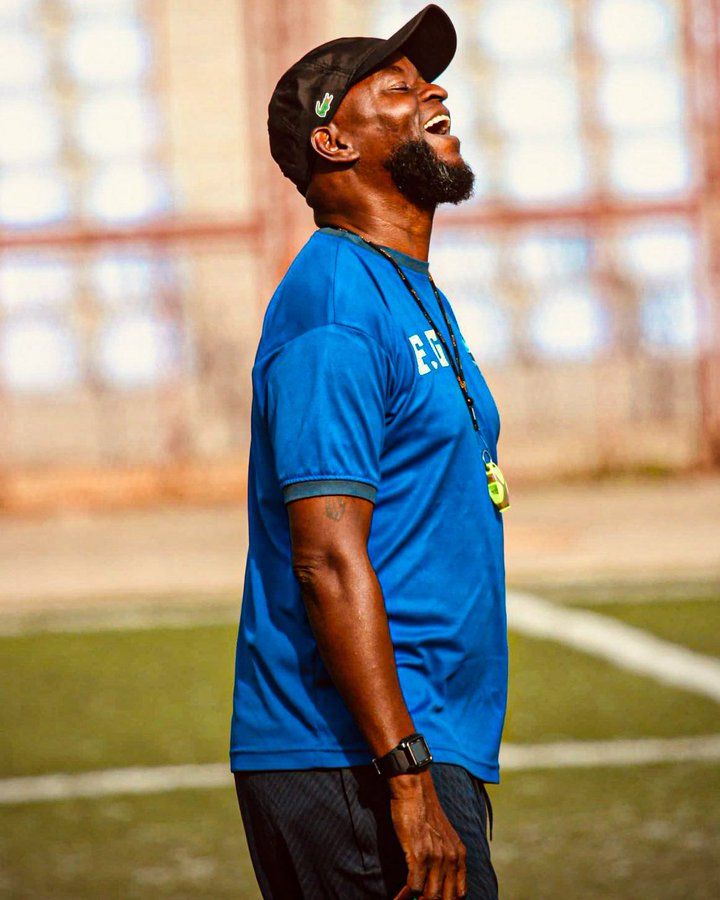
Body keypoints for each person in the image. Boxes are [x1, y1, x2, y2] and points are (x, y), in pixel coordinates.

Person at [229, 5, 509, 898]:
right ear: (335, 144)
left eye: (425, 82)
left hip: (410, 739)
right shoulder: (334, 304)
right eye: (397, 88)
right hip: (358, 755)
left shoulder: (402, 286)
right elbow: (325, 557)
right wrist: (408, 777)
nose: (434, 93)